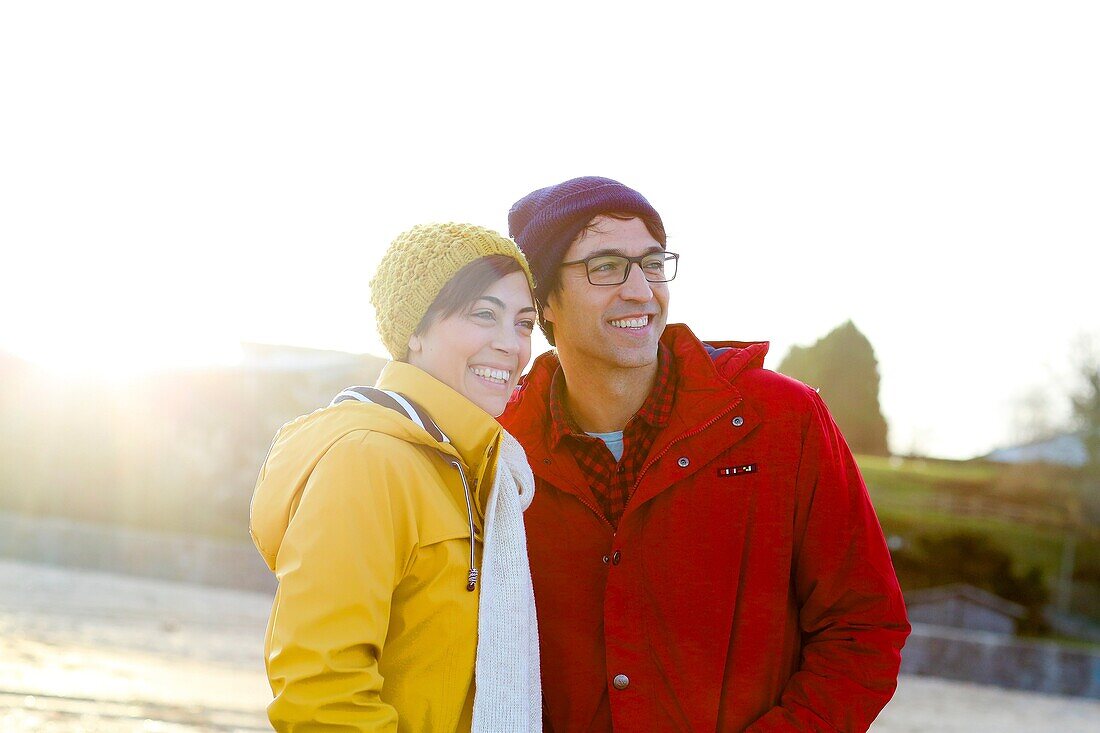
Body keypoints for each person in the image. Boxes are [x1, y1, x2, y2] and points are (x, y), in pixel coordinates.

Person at [499, 177, 911, 732]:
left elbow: (863, 629)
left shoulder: (783, 421)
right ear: (543, 298)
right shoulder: (502, 452)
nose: (641, 290)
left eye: (651, 262)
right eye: (606, 267)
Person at [250, 223, 542, 732]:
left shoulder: (478, 474)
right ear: (416, 330)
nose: (509, 345)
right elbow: (322, 691)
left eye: (522, 323)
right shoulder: (369, 460)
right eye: (483, 315)